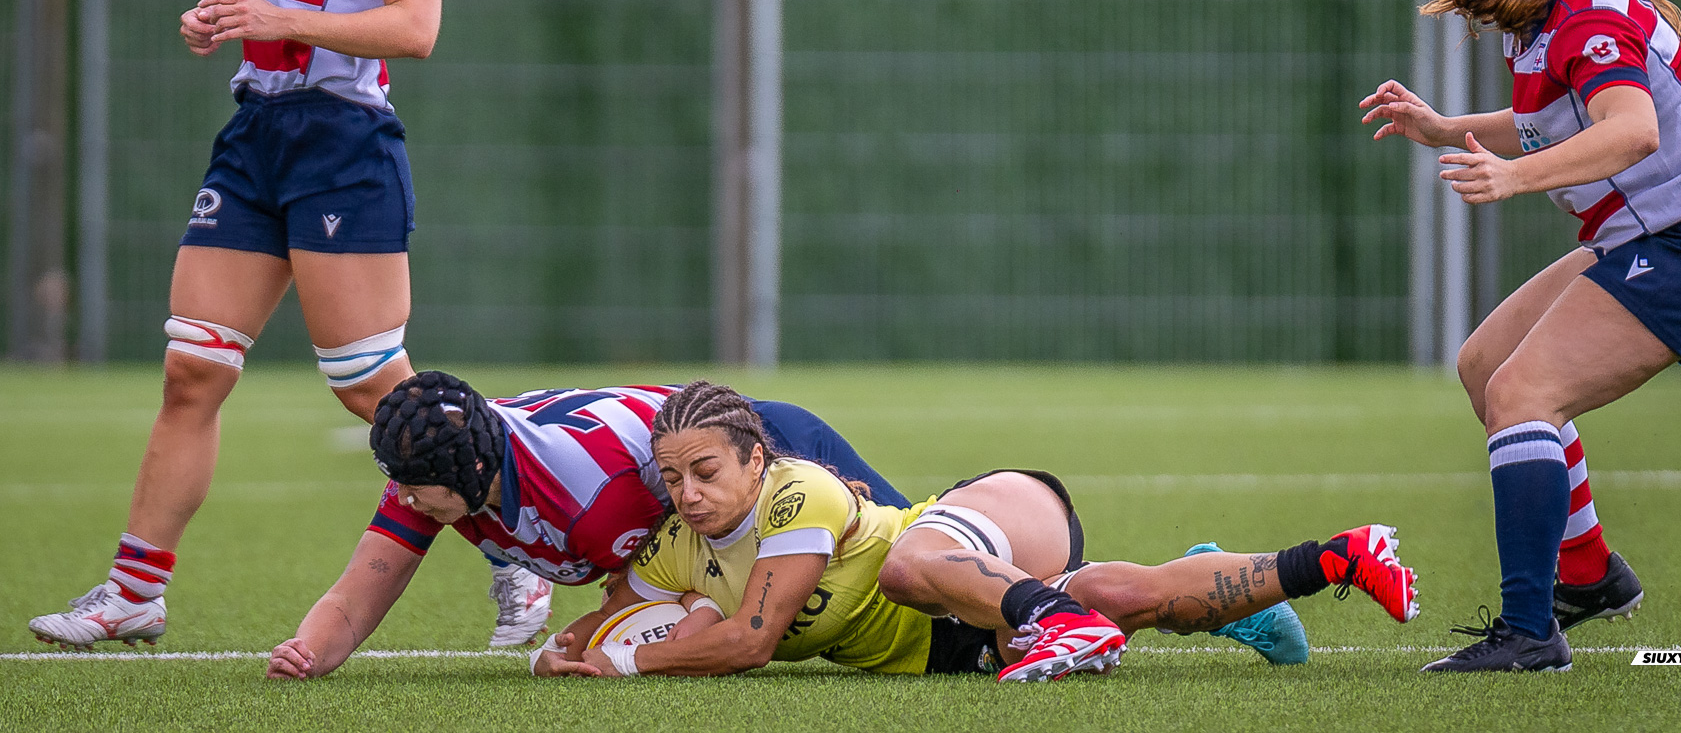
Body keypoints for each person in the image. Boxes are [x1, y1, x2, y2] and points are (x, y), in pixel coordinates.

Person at [30, 0, 444, 651]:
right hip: (256, 135)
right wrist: (223, 23)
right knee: (192, 369)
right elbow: (276, 7)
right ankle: (134, 588)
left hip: (343, 147)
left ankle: (517, 557)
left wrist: (282, 22)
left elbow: (415, 29)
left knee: (371, 387)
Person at [1360, 0, 1681, 673]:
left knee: (1524, 391)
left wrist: (1511, 177)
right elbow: (1554, 122)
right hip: (1655, 234)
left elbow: (1633, 130)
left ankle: (1529, 635)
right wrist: (1448, 129)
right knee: (1485, 365)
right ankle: (1587, 577)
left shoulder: (1586, 19)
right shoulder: (1550, 12)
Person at [486, 381, 1416, 684]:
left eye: (707, 470)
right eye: (672, 477)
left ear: (757, 461)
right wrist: (567, 650)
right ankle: (1340, 554)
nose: (686, 494)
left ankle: (1057, 622)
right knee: (1129, 598)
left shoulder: (796, 491)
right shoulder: (673, 546)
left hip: (994, 516)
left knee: (902, 561)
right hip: (955, 633)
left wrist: (631, 663)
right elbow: (607, 617)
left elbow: (751, 639)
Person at [264, 372, 913, 679]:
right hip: (683, 475)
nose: (403, 496)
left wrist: (640, 646)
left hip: (766, 442)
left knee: (914, 564)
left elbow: (685, 558)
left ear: (470, 468)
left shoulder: (592, 495)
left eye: (415, 485)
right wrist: (308, 651)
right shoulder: (431, 479)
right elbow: (355, 594)